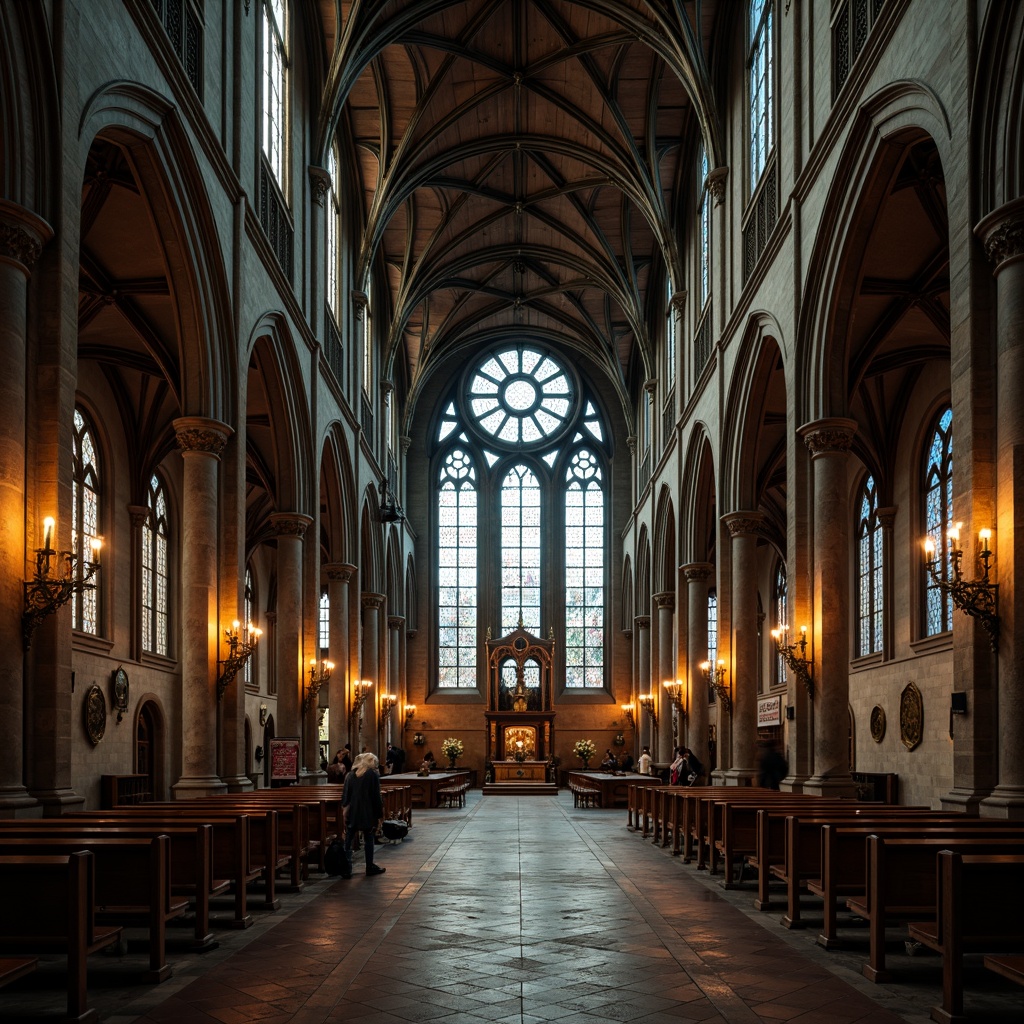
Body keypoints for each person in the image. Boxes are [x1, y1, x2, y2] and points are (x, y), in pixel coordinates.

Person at [341, 752, 386, 877]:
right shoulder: (372, 775)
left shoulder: (350, 775)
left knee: (348, 841)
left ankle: (346, 868)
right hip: (367, 811)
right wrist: (379, 815)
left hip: (352, 811)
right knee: (369, 839)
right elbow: (376, 796)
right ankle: (369, 866)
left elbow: (345, 795)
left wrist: (344, 809)